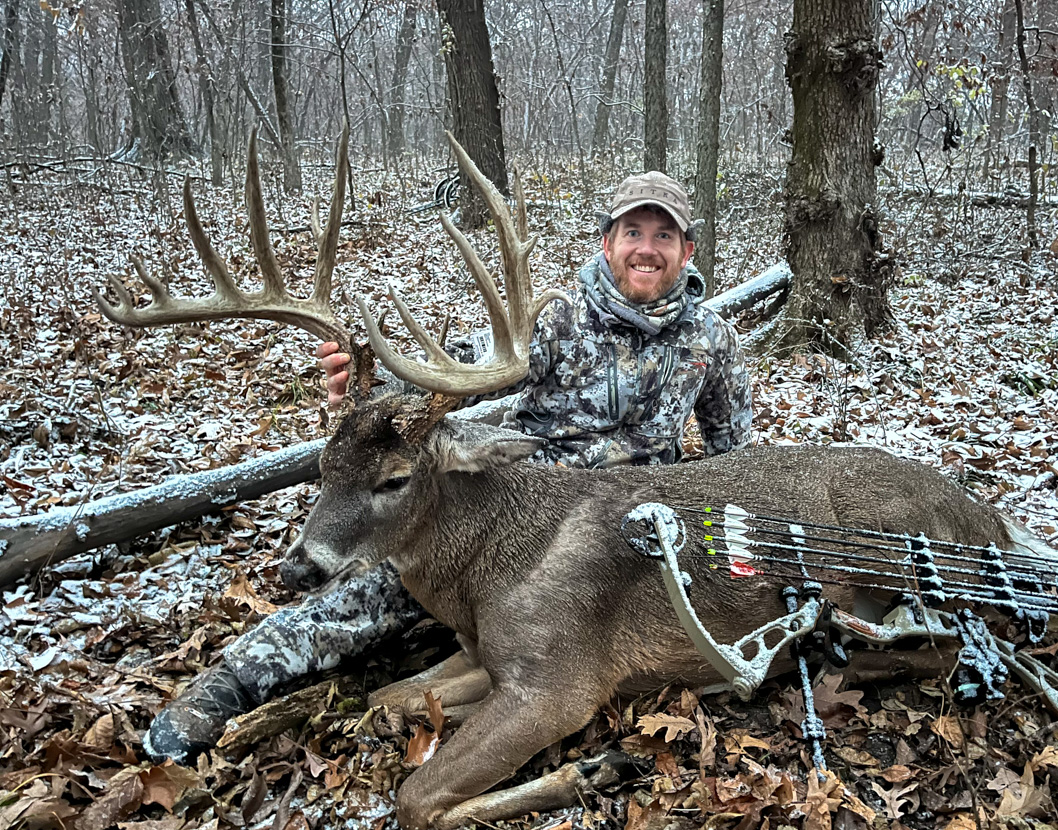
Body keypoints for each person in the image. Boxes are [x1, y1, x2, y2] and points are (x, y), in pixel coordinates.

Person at [144, 170, 753, 763]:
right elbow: (453, 375)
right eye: (633, 233)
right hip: (512, 514)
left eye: (663, 235)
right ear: (608, 242)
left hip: (629, 532)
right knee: (372, 587)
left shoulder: (711, 339)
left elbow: (733, 456)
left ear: (687, 249)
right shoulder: (552, 321)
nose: (647, 249)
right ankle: (228, 685)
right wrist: (371, 383)